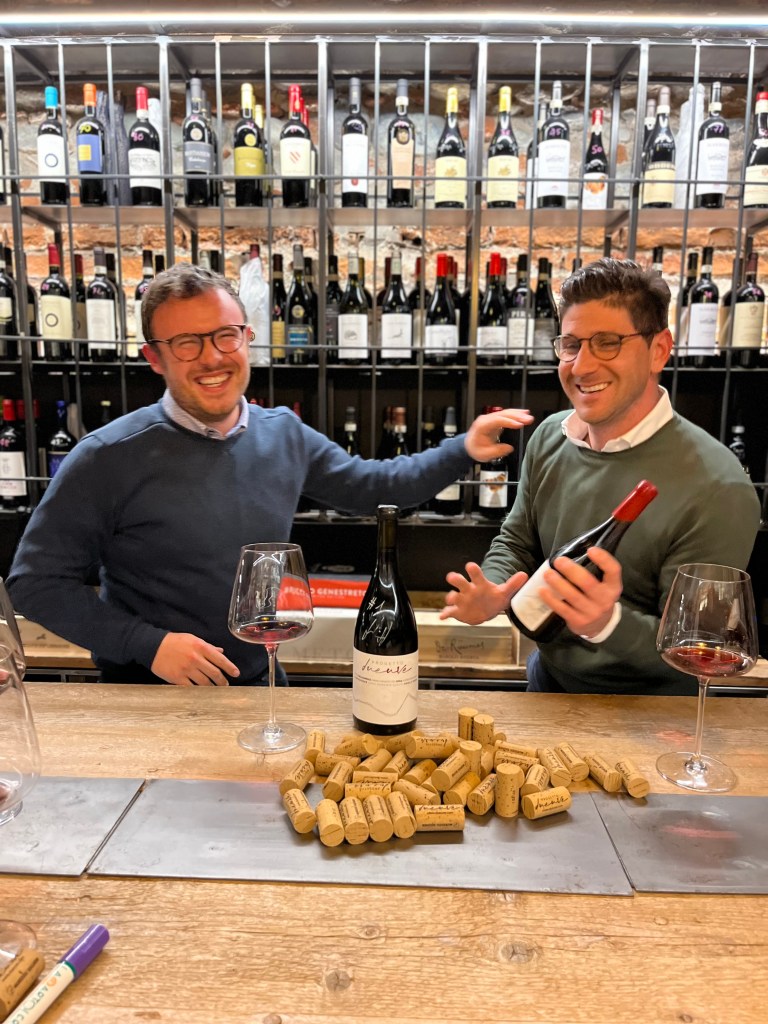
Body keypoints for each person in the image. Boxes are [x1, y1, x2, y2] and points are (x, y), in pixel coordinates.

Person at [8, 262, 531, 687]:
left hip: (261, 684)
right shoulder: (106, 456)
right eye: (187, 343)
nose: (212, 357)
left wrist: (463, 448)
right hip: (147, 694)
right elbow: (35, 584)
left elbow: (376, 487)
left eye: (226, 336)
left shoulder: (283, 434)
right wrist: (149, 645)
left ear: (247, 337)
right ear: (155, 358)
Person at [441, 257, 760, 695]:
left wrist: (608, 624)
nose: (581, 366)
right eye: (571, 344)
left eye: (607, 343)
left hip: (654, 715)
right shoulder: (549, 437)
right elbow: (517, 541)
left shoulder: (719, 487)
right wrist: (493, 587)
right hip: (546, 686)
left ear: (659, 350)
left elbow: (696, 651)